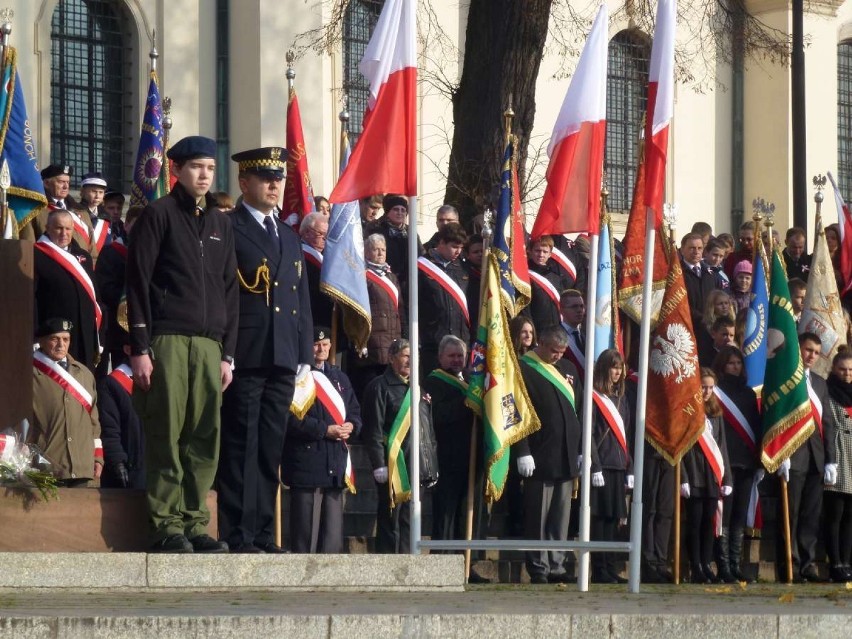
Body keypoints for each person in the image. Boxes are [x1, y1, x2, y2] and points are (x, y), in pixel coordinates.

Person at [126, 135, 238, 554]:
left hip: (210, 347)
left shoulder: (220, 223)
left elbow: (230, 291)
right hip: (168, 339)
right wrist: (139, 346)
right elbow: (137, 282)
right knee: (167, 434)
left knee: (203, 437)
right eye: (196, 167)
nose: (204, 175)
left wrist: (228, 353)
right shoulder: (158, 215)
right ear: (177, 170)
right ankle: (165, 524)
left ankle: (194, 522)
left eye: (210, 167)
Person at [217, 146, 313, 554]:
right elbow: (225, 294)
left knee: (270, 445)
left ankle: (262, 532)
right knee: (242, 444)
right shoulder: (229, 228)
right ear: (244, 183)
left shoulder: (289, 236)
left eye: (279, 179)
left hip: (283, 354)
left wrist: (305, 354)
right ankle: (238, 532)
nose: (274, 185)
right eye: (265, 179)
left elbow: (301, 298)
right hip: (248, 351)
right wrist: (227, 350)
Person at [513, 325, 584, 584]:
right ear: (541, 343)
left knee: (560, 517)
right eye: (554, 351)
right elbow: (515, 411)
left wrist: (581, 450)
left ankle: (557, 565)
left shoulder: (569, 369)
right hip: (539, 456)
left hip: (566, 455)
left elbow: (579, 410)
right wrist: (523, 451)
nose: (558, 356)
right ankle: (538, 567)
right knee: (538, 517)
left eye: (562, 352)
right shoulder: (522, 368)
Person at [283, 326, 361, 554]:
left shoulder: (340, 377)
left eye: (325, 344)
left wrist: (352, 425)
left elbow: (354, 410)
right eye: (316, 345)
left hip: (335, 463)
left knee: (332, 537)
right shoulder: (296, 377)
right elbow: (290, 418)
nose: (321, 349)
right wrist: (323, 430)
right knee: (305, 536)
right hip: (307, 461)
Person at [362, 339, 437, 554]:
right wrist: (379, 464)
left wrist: (431, 464)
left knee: (410, 521)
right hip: (394, 464)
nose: (410, 361)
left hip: (417, 466)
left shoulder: (419, 389)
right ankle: (389, 568)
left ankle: (409, 565)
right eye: (406, 356)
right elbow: (373, 430)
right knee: (391, 522)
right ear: (392, 358)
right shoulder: (379, 387)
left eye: (414, 356)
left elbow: (428, 432)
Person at [775, 332, 837, 582]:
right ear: (798, 348)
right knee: (791, 513)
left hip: (816, 458)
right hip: (793, 457)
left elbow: (828, 423)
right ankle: (789, 564)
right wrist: (781, 453)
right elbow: (777, 417)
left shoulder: (821, 383)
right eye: (807, 349)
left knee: (811, 514)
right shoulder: (784, 378)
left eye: (815, 352)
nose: (811, 355)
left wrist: (830, 459)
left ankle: (808, 564)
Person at [27, 318, 103, 486]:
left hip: (83, 468)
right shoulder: (28, 373)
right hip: (47, 467)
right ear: (41, 341)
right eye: (54, 339)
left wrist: (97, 457)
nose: (61, 344)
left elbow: (94, 422)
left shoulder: (84, 374)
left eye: (66, 339)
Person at [712, 345, 762, 582]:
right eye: (731, 363)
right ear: (722, 365)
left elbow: (755, 424)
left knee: (740, 515)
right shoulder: (716, 392)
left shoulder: (749, 394)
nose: (736, 367)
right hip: (726, 462)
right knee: (726, 514)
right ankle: (722, 565)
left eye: (739, 363)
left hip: (746, 461)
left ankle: (735, 563)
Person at [680, 368, 733, 583]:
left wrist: (727, 477)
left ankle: (706, 563)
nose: (707, 391)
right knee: (694, 522)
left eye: (711, 387)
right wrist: (683, 477)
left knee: (709, 524)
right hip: (693, 473)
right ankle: (695, 566)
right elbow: (681, 447)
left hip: (712, 475)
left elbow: (722, 448)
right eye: (704, 386)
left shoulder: (715, 412)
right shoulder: (687, 410)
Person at [422, 335, 475, 544]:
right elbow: (438, 415)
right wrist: (466, 400)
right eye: (451, 356)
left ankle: (467, 561)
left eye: (460, 355)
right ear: (440, 357)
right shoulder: (433, 381)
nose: (456, 360)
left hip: (471, 456)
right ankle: (443, 558)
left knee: (467, 512)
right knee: (446, 513)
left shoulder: (471, 380)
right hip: (447, 457)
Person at [33, 209, 101, 372]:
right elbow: (32, 299)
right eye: (59, 228)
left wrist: (99, 336)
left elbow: (96, 297)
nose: (64, 233)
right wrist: (35, 336)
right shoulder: (36, 254)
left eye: (68, 229)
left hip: (84, 333)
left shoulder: (83, 256)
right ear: (47, 228)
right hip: (54, 335)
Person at [590, 349, 632, 584]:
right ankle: (599, 569)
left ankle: (608, 567)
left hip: (618, 465)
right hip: (602, 465)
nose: (617, 372)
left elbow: (626, 435)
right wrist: (595, 466)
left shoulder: (621, 397)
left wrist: (631, 468)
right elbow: (590, 434)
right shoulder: (594, 396)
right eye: (613, 367)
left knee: (613, 519)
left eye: (620, 367)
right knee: (599, 520)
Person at [351, 233, 403, 400]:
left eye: (383, 250)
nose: (380, 253)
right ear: (366, 252)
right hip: (372, 341)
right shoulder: (361, 275)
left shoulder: (391, 276)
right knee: (370, 390)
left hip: (392, 339)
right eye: (375, 250)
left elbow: (400, 309)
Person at [95, 205, 143, 375]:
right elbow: (104, 288)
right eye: (136, 225)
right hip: (118, 326)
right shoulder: (111, 252)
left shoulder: (150, 254)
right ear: (126, 225)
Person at [417, 222, 470, 372]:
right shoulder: (422, 267)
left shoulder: (463, 268)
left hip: (460, 342)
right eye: (454, 246)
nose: (458, 251)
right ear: (441, 243)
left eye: (461, 247)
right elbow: (410, 305)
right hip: (433, 343)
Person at [97, 328, 145, 489]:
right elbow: (109, 428)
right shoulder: (112, 384)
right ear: (127, 349)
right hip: (130, 469)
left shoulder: (159, 379)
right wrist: (117, 461)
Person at [823, 350, 852, 581]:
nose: (847, 374)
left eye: (851, 370)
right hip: (838, 455)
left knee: (850, 516)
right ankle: (835, 563)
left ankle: (846, 561)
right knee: (835, 513)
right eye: (843, 369)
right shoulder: (827, 392)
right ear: (834, 369)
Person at [364, 194, 424, 303]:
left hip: (408, 285)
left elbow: (420, 256)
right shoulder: (376, 229)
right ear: (387, 212)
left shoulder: (411, 233)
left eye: (403, 210)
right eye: (396, 209)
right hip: (384, 281)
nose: (400, 213)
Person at [523, 236, 572, 332]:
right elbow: (525, 307)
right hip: (536, 330)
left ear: (550, 254)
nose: (541, 254)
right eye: (537, 250)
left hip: (557, 329)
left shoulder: (556, 277)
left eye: (545, 252)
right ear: (530, 251)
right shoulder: (525, 275)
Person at [680, 232, 717, 329]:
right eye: (692, 248)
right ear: (682, 250)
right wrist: (700, 317)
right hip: (687, 326)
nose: (696, 252)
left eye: (699, 248)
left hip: (709, 328)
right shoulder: (678, 273)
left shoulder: (710, 273)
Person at [77, 171, 111, 259]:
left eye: (101, 192)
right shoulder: (75, 213)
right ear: (83, 192)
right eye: (93, 191)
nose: (97, 196)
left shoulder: (106, 216)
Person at [560, 289, 587, 380]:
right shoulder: (556, 335)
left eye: (581, 306)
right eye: (574, 307)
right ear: (562, 310)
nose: (579, 310)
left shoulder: (588, 335)